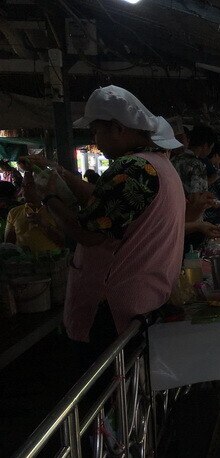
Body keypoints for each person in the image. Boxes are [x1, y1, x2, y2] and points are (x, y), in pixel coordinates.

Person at [21, 84, 185, 362]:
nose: (95, 140)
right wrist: (60, 173)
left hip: (113, 308)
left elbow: (88, 233)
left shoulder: (131, 169)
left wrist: (48, 197)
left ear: (118, 128)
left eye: (97, 131)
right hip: (145, 298)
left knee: (103, 385)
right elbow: (103, 204)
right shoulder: (156, 164)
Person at [4, 173, 65, 252]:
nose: (24, 189)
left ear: (42, 187)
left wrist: (43, 224)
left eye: (30, 185)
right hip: (24, 262)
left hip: (51, 261)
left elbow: (63, 242)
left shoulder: (55, 210)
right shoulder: (14, 212)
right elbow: (8, 245)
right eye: (23, 185)